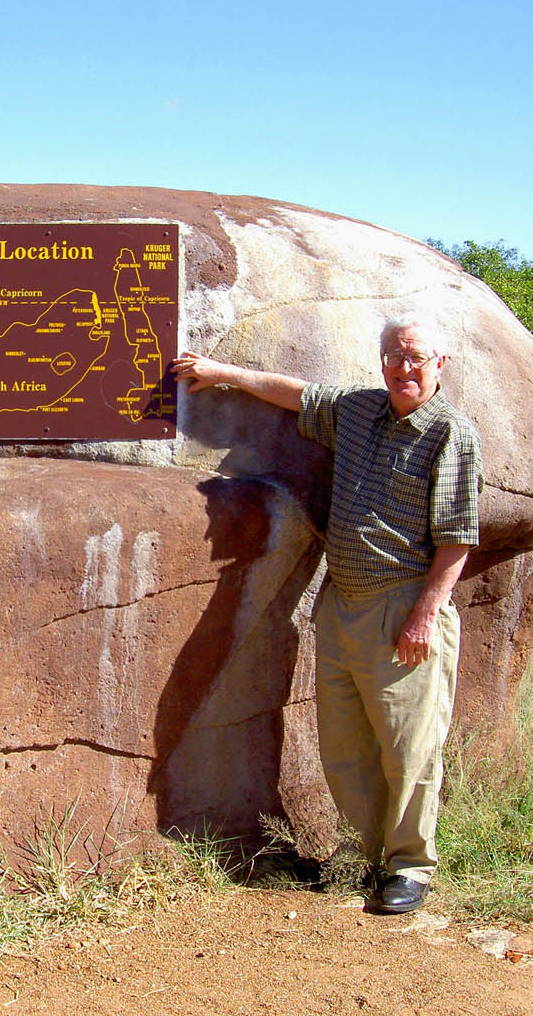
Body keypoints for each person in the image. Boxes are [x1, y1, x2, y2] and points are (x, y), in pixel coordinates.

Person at [170, 315, 481, 914]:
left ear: (439, 363)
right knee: (343, 745)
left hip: (405, 606)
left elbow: (457, 539)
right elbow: (297, 394)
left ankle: (411, 866)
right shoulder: (360, 411)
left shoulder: (450, 435)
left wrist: (424, 615)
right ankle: (371, 856)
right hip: (341, 603)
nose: (404, 367)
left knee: (408, 746)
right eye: (394, 355)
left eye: (416, 357)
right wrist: (222, 373)